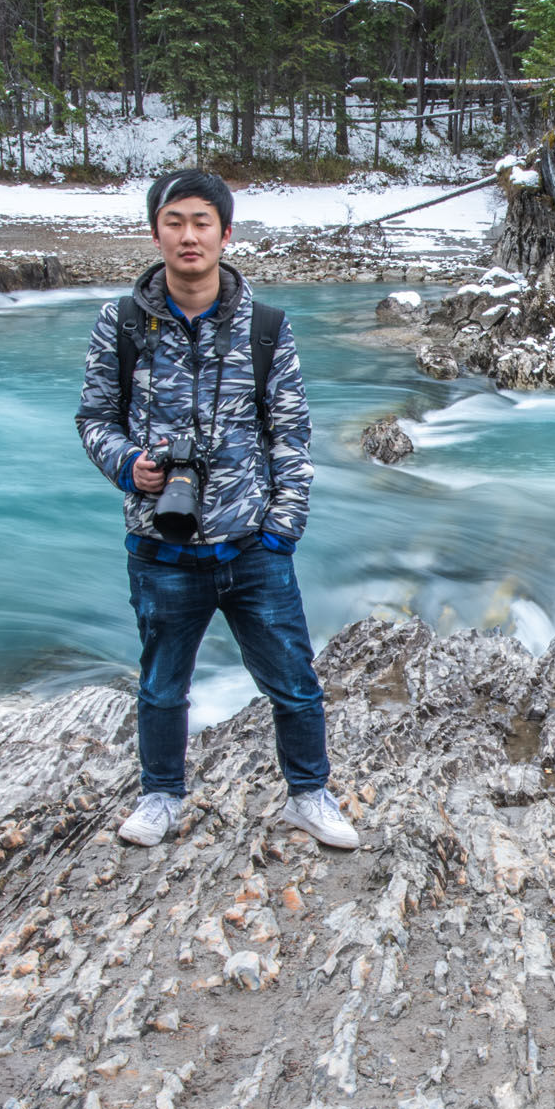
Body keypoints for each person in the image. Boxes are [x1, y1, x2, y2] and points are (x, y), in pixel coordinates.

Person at [77, 168, 359, 851]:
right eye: (174, 222)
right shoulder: (120, 326)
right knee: (162, 686)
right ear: (156, 234)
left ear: (226, 234)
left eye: (202, 222)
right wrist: (128, 465)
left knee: (294, 683)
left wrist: (282, 529)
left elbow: (290, 435)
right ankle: (160, 796)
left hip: (251, 545)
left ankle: (309, 795)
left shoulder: (265, 329)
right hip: (161, 546)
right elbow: (94, 418)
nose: (188, 236)